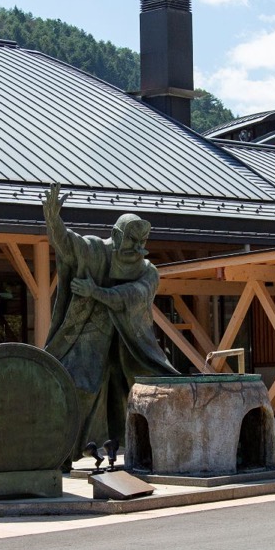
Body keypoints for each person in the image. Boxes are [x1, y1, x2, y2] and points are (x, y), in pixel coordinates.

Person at [42, 184, 178, 453]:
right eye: (131, 241)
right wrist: (53, 220)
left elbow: (130, 296)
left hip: (133, 345)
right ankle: (71, 450)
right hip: (89, 334)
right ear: (116, 235)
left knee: (143, 391)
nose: (138, 248)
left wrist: (95, 292)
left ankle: (140, 447)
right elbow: (69, 245)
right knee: (80, 385)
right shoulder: (95, 251)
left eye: (142, 243)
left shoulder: (148, 272)